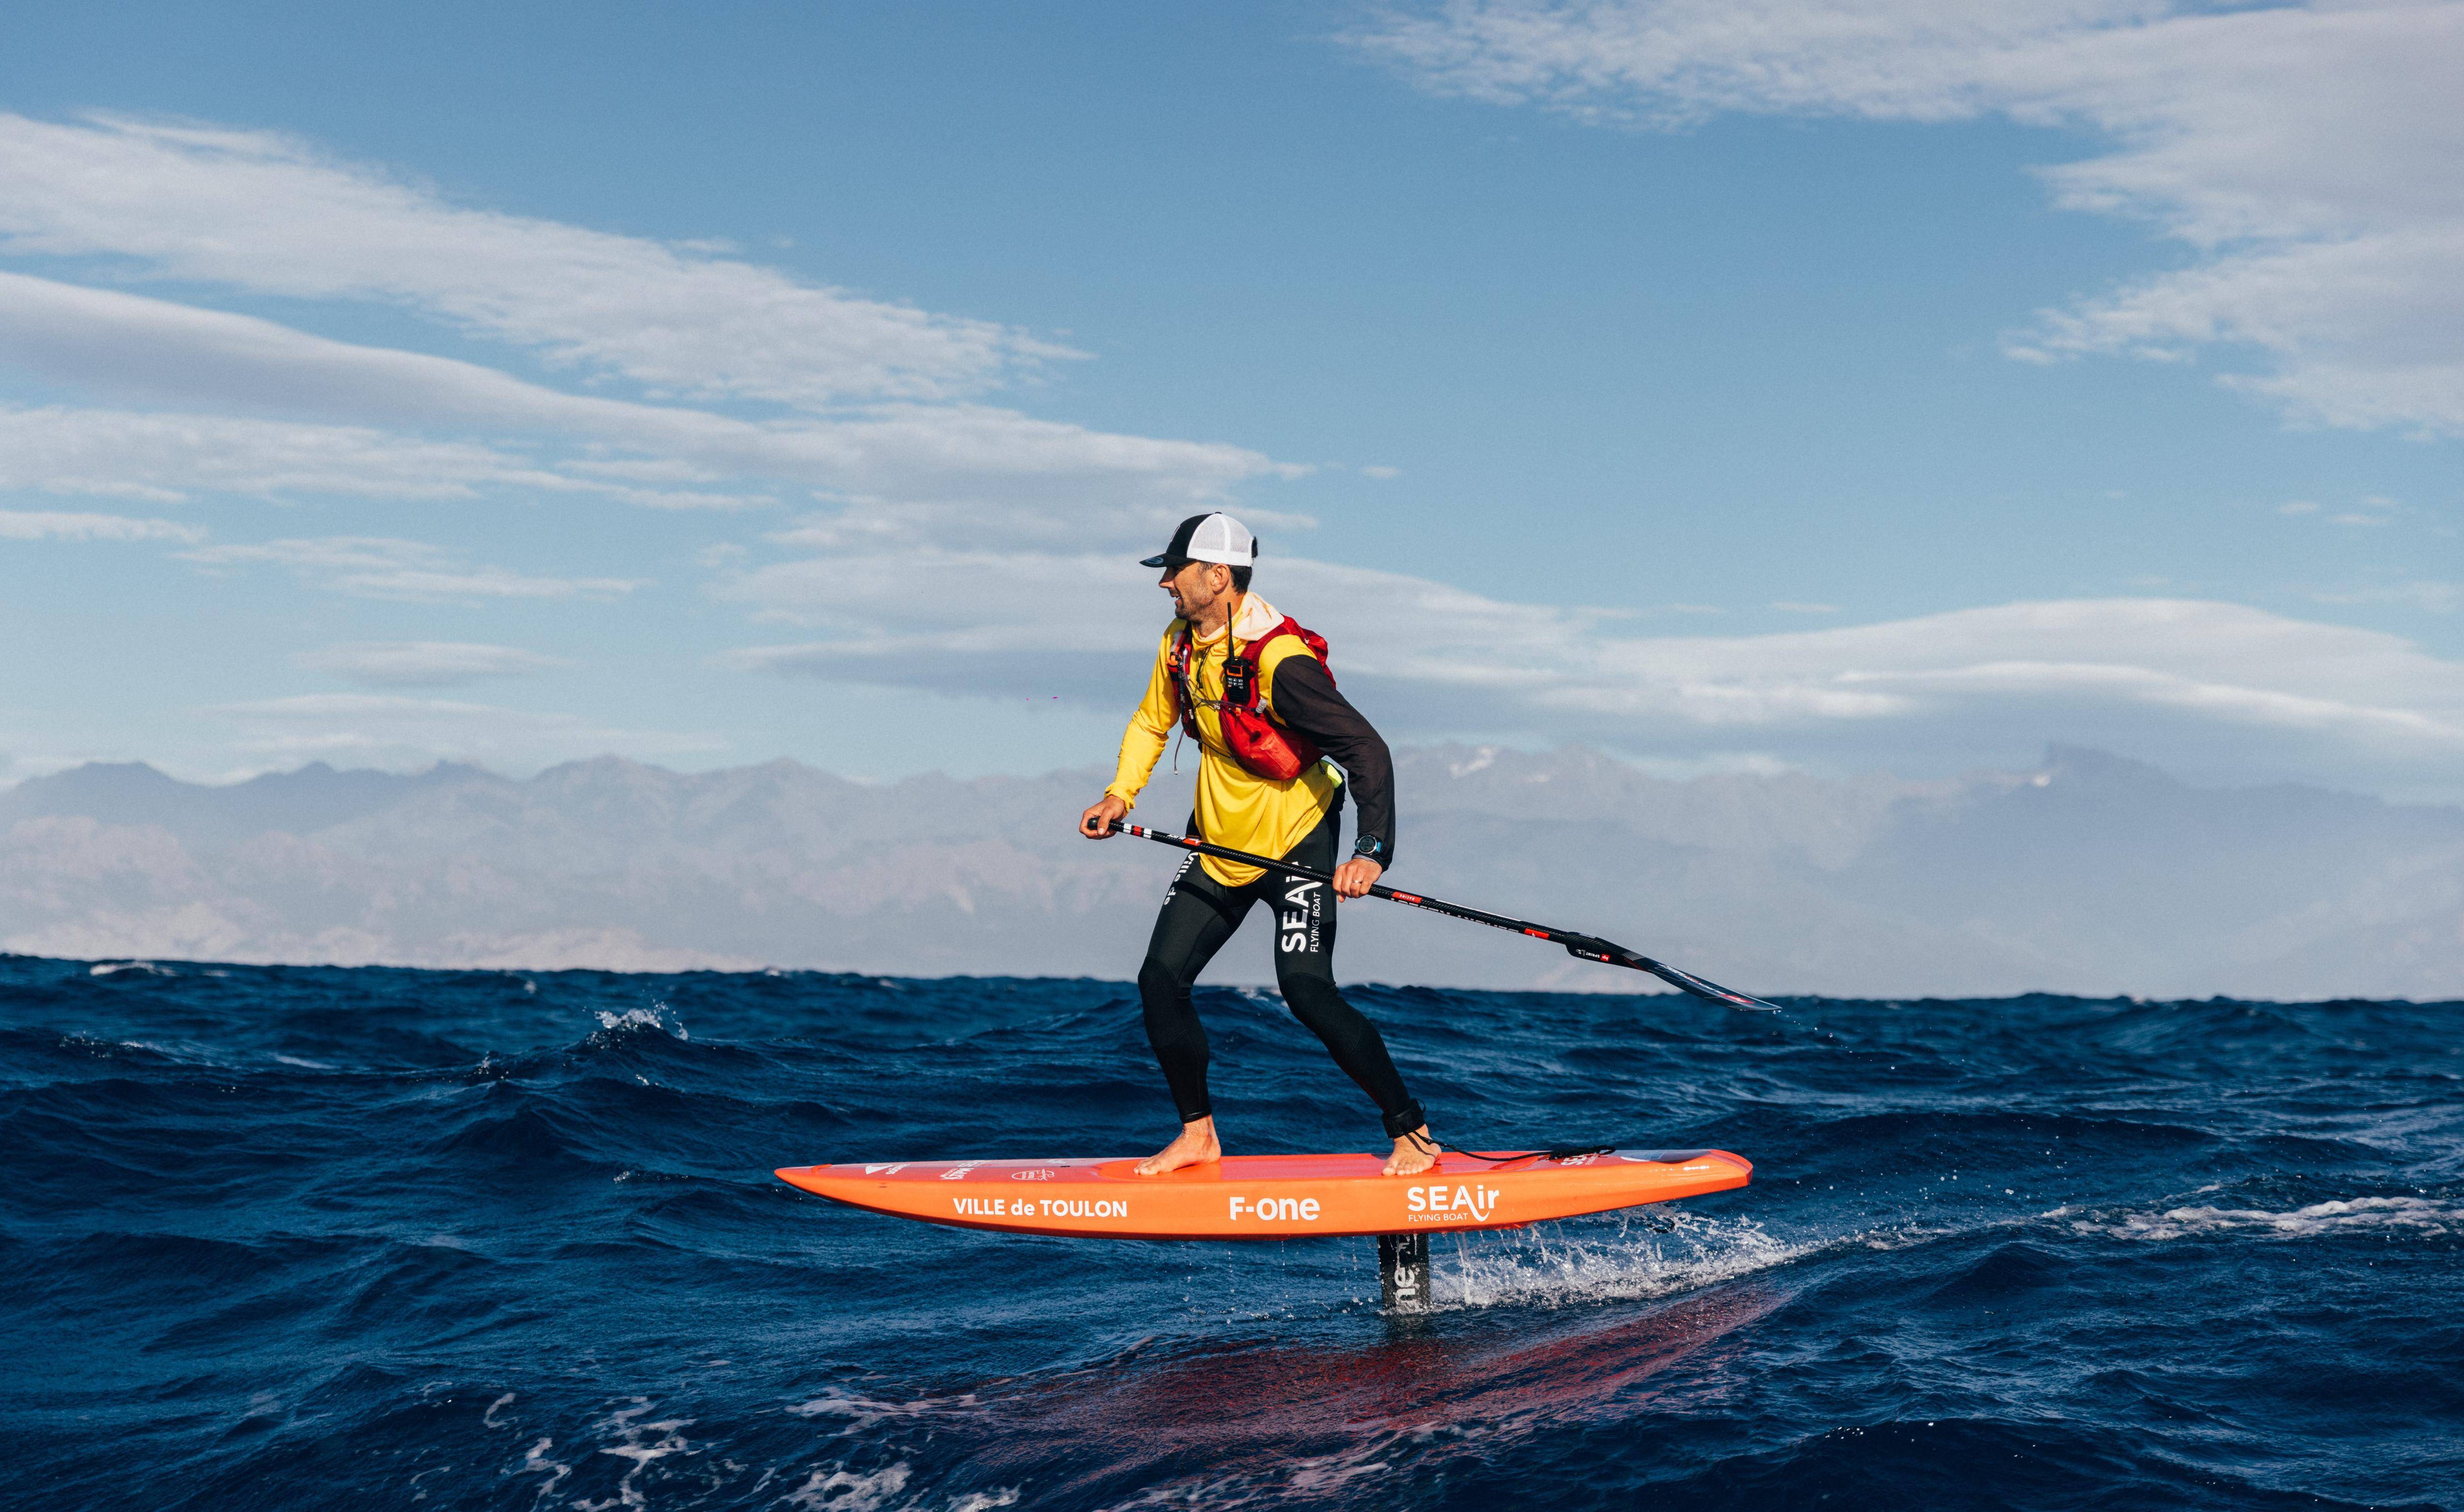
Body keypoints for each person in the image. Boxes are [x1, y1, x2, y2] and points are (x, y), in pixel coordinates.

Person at [1079, 512, 1436, 1177]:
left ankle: (1411, 1131)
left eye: (1175, 570)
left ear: (1217, 576)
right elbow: (1152, 721)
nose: (1165, 583)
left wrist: (1369, 850)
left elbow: (1367, 749)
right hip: (1220, 842)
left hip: (1298, 840)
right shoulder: (1179, 644)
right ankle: (1198, 1135)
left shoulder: (1280, 661)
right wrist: (1119, 794)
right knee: (1161, 979)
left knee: (1306, 991)